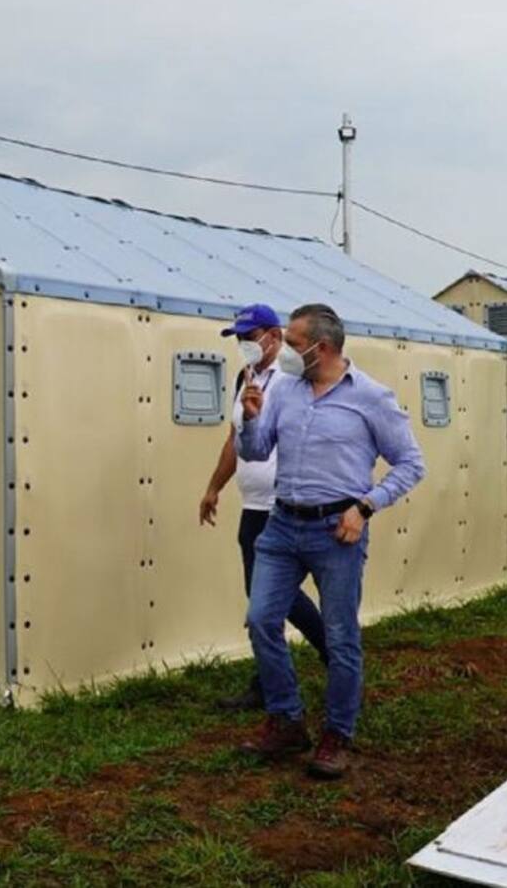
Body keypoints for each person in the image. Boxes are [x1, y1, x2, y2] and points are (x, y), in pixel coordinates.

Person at [236, 304, 425, 779]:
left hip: (336, 530)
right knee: (260, 620)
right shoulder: (285, 391)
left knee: (340, 637)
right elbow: (257, 451)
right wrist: (252, 419)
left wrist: (365, 507)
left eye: (295, 344)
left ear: (323, 347)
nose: (287, 352)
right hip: (282, 524)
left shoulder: (371, 397)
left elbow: (410, 464)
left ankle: (336, 734)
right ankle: (287, 720)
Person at [200, 304, 328, 711]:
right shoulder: (246, 377)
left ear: (274, 336)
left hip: (283, 505)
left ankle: (322, 658)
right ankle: (280, 674)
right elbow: (235, 439)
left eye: (249, 337)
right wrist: (214, 487)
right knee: (263, 599)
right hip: (252, 506)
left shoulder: (292, 380)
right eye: (238, 338)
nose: (243, 345)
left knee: (273, 598)